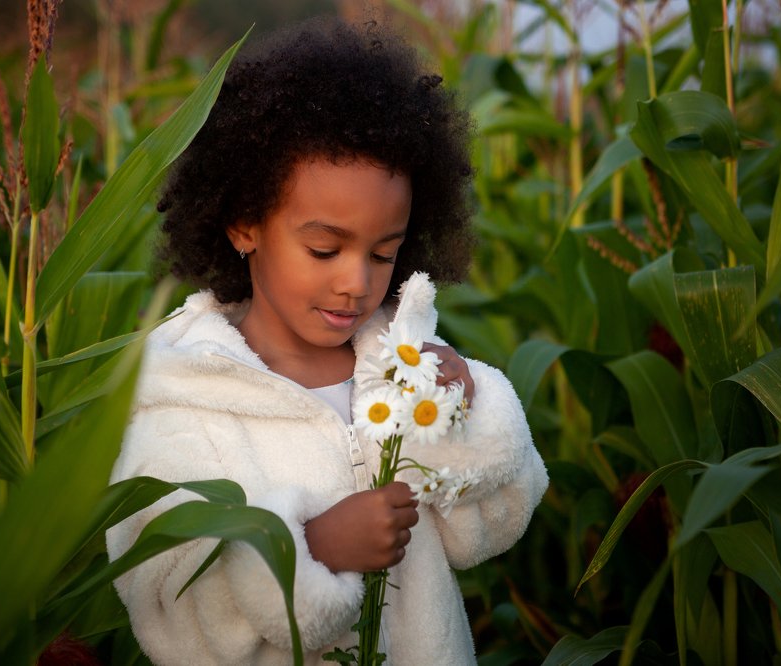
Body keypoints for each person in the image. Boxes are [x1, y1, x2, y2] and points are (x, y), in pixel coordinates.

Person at [106, 15, 548, 665]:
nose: (356, 283)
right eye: (324, 249)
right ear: (244, 223)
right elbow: (168, 610)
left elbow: (491, 527)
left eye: (383, 253)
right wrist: (311, 549)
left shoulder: (398, 362)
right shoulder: (184, 404)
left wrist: (461, 411)